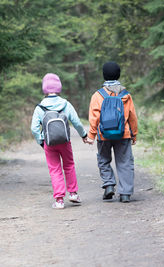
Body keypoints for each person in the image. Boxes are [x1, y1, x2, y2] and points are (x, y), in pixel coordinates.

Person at [31, 73, 88, 209]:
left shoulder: (40, 107)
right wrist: (83, 135)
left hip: (49, 143)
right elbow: (77, 122)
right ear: (59, 87)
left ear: (44, 88)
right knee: (69, 165)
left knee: (54, 169)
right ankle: (73, 193)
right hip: (65, 141)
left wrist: (41, 140)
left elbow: (34, 128)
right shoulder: (65, 104)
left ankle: (59, 200)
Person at [85, 61, 138, 203]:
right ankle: (125, 193)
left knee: (103, 160)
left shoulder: (97, 95)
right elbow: (132, 116)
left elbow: (94, 118)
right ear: (119, 74)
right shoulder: (126, 95)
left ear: (104, 75)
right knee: (125, 162)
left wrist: (91, 135)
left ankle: (109, 185)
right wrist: (134, 134)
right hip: (123, 134)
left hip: (104, 134)